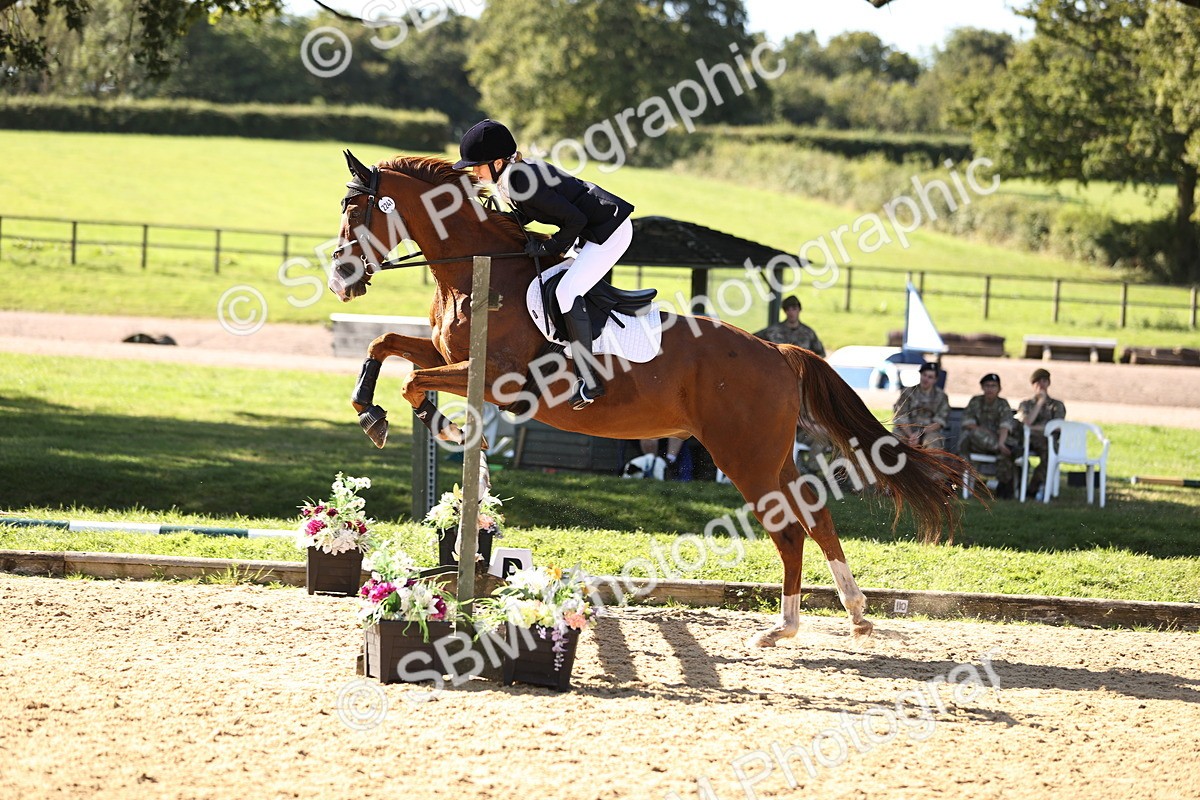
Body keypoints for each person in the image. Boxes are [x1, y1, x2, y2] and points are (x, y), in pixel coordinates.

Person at [453, 119, 634, 410]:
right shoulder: (512, 176)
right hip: (589, 231)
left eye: (478, 166)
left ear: (498, 162)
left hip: (609, 232)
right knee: (557, 283)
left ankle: (589, 380)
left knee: (566, 292)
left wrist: (548, 247)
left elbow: (575, 219)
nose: (474, 172)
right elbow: (531, 212)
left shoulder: (519, 180)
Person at [961, 373, 1018, 499]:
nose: (990, 389)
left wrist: (1001, 443)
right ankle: (1010, 449)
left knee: (1004, 454)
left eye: (993, 386)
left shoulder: (1002, 404)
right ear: (982, 387)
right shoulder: (976, 401)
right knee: (973, 434)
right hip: (977, 444)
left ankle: (1004, 489)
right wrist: (987, 433)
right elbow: (968, 423)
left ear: (999, 388)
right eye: (987, 385)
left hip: (998, 443)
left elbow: (1005, 426)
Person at [1018, 368, 1067, 501]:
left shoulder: (1057, 405)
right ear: (1032, 385)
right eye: (1037, 382)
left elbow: (1058, 426)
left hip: (1048, 441)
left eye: (1044, 381)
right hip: (1028, 440)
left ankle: (1033, 488)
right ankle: (1016, 487)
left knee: (1050, 454)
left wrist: (1035, 428)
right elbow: (1027, 422)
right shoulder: (1025, 404)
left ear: (1049, 383)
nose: (1041, 385)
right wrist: (1040, 402)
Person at [892, 361, 950, 450]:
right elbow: (900, 416)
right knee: (894, 440)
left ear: (935, 380)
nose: (926, 379)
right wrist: (911, 436)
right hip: (906, 430)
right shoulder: (907, 392)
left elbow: (939, 421)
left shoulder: (941, 396)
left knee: (934, 442)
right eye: (924, 375)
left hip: (928, 431)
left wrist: (920, 433)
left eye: (930, 377)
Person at [753, 296, 825, 356]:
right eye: (788, 309)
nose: (791, 313)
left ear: (799, 310)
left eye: (794, 309)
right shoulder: (772, 331)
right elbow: (752, 340)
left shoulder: (808, 333)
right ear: (785, 311)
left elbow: (820, 354)